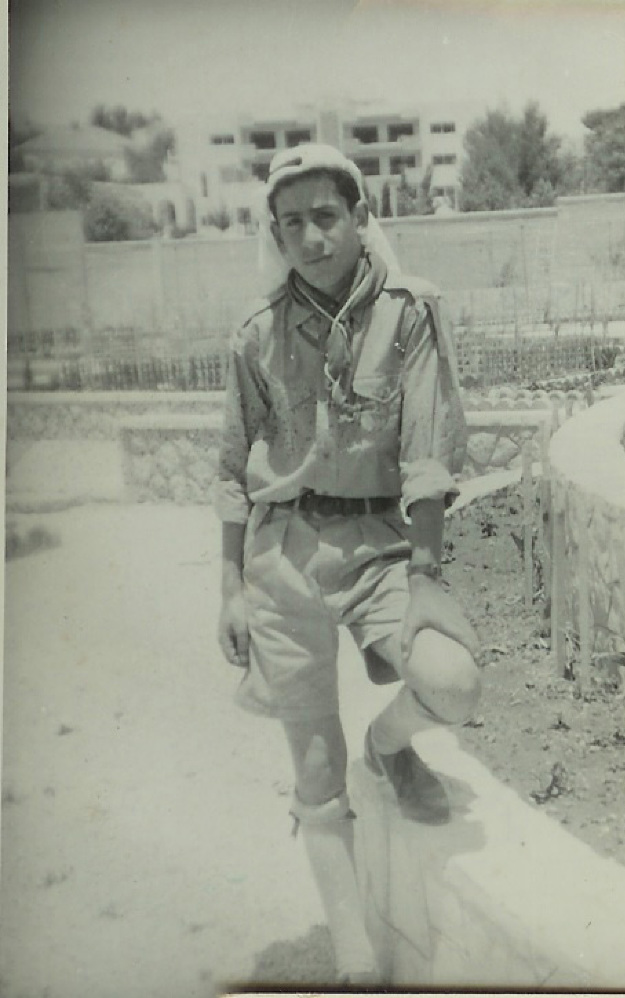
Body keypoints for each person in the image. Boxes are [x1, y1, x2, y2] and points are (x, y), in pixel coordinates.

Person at [215, 143, 482, 986]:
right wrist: (229, 588)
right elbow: (231, 472)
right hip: (284, 556)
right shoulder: (255, 336)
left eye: (326, 215)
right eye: (292, 223)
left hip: (380, 547)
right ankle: (355, 958)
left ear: (362, 218)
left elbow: (429, 458)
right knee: (316, 780)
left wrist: (428, 579)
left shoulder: (409, 315)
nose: (311, 236)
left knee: (454, 681)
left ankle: (389, 746)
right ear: (276, 234)